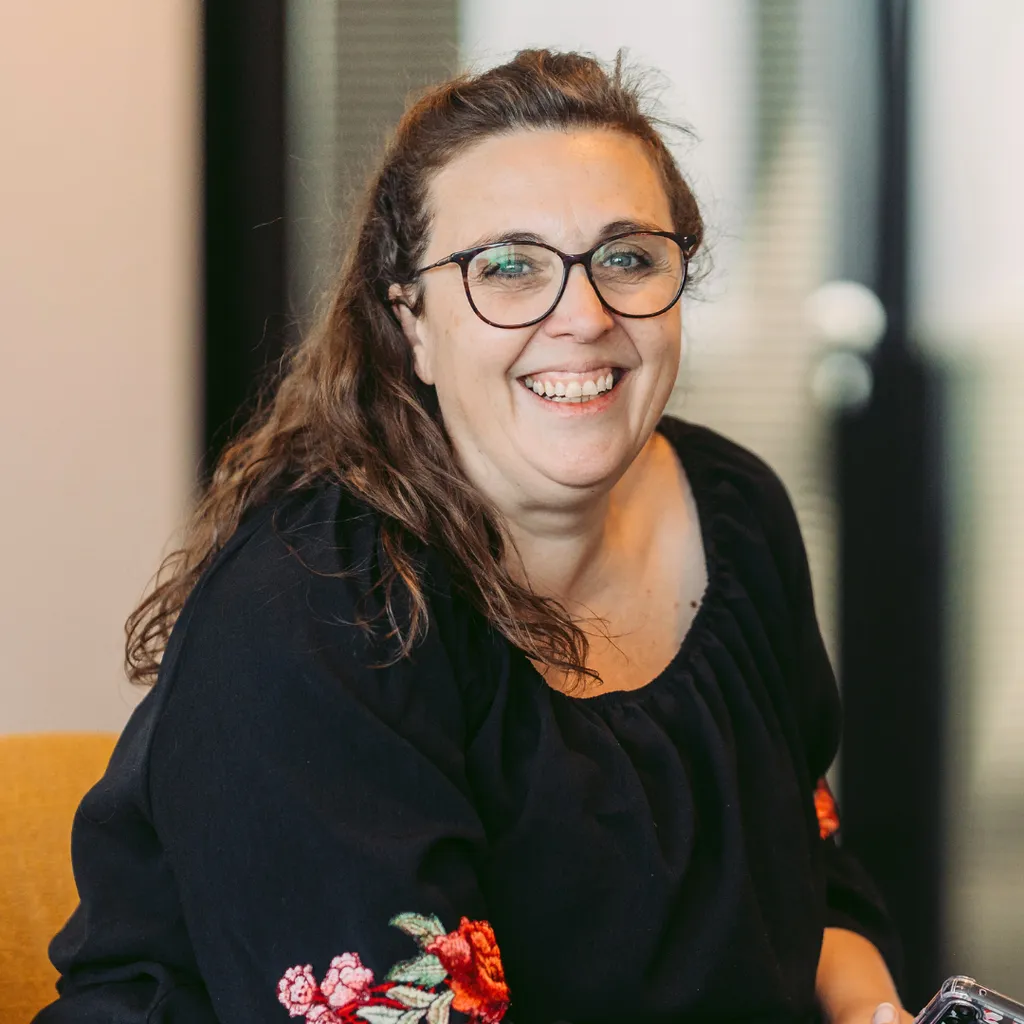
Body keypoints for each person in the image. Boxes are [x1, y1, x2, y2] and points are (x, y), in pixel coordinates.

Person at [35, 49, 914, 1024]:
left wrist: (871, 1010)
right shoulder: (314, 606)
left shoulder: (735, 509)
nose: (581, 316)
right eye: (507, 266)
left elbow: (807, 883)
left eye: (626, 256)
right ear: (410, 319)